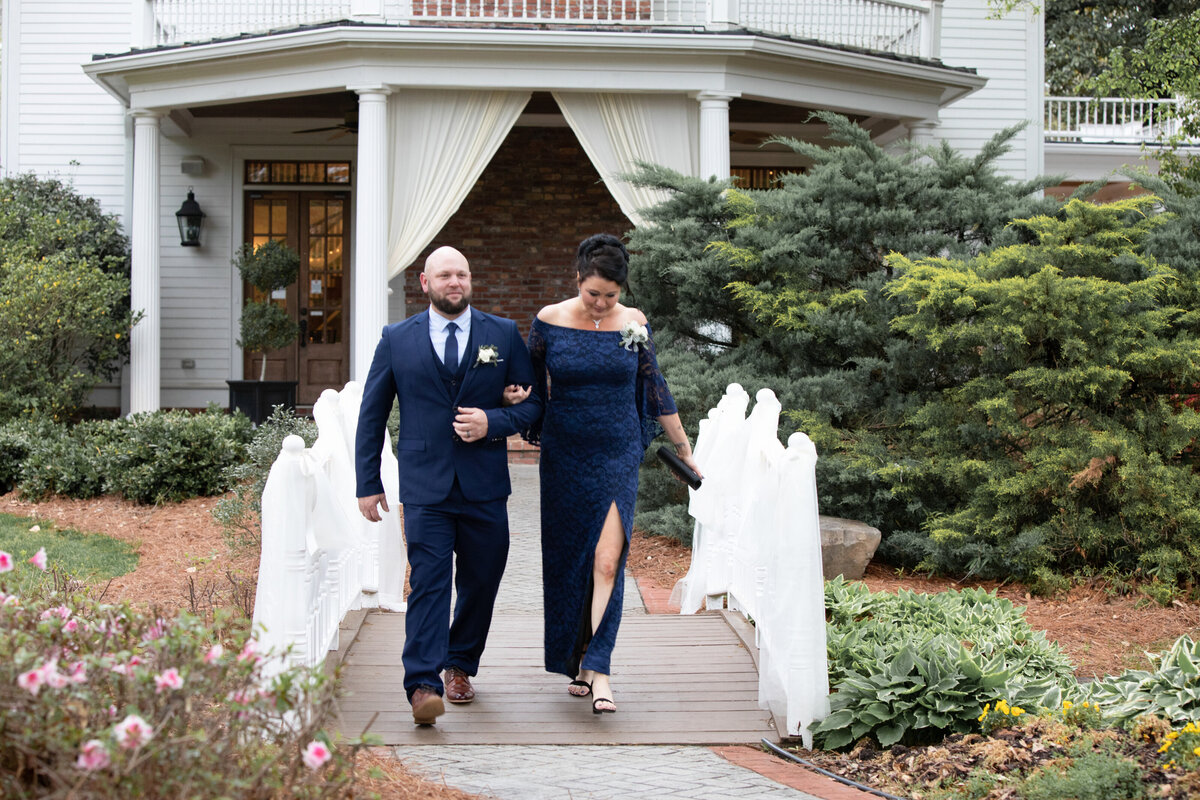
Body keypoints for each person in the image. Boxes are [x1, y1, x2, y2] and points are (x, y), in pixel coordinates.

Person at [355, 245, 541, 726]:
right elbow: (372, 414)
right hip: (425, 486)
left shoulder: (500, 333)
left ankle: (459, 665)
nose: (454, 282)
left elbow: (532, 405)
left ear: (470, 280)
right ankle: (422, 685)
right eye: (444, 276)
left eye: (461, 274)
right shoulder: (396, 338)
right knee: (430, 584)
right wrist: (367, 482)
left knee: (481, 582)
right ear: (425, 283)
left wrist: (493, 421)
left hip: (484, 485)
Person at [522, 233, 701, 714]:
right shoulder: (548, 322)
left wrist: (684, 448)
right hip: (565, 453)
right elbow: (530, 389)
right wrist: (511, 404)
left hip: (617, 452)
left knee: (608, 558)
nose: (601, 303)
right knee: (569, 560)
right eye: (593, 293)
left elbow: (656, 388)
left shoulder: (634, 323)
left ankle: (599, 670)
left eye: (611, 295)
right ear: (577, 279)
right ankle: (575, 658)